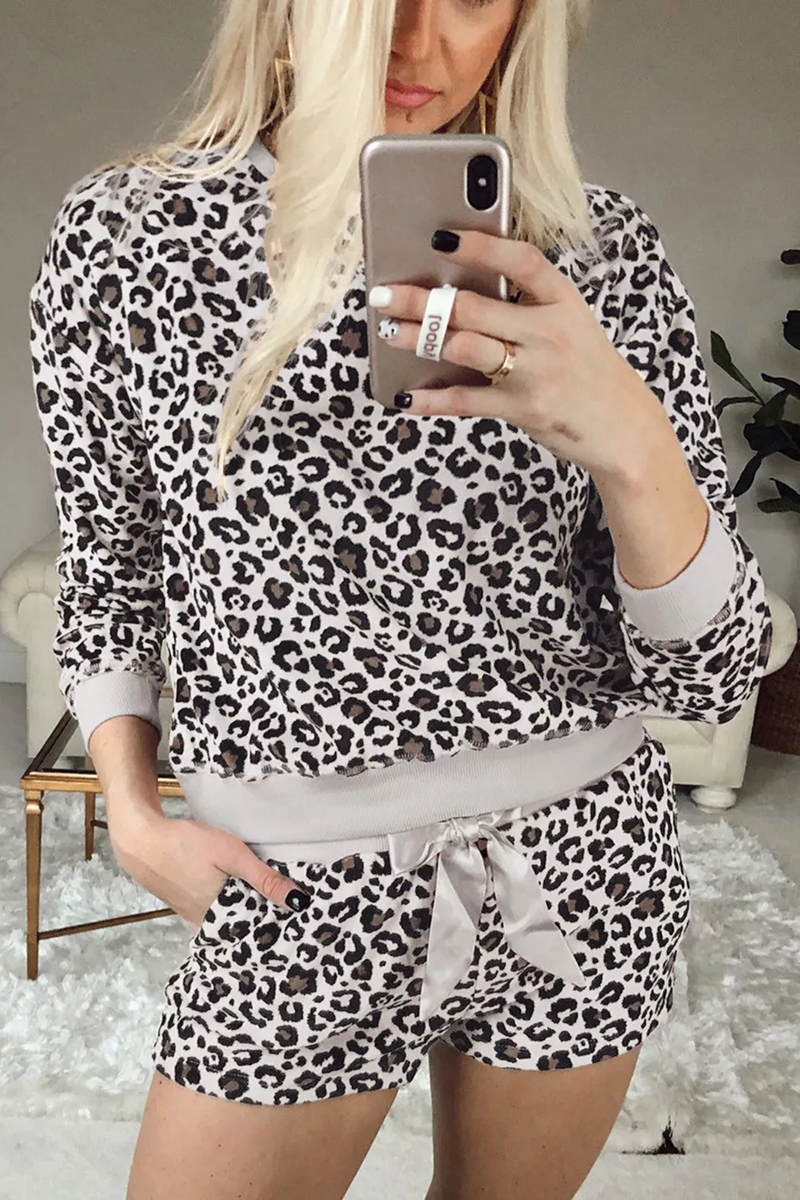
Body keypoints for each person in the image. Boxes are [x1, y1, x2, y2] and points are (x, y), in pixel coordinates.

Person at [29, 0, 772, 1197]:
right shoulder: (129, 234)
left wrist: (633, 444)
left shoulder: (597, 255)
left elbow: (709, 677)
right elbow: (108, 562)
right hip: (292, 885)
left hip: (583, 865)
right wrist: (131, 811)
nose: (416, 41)